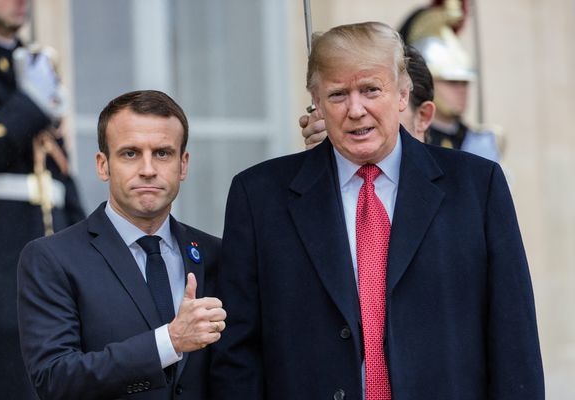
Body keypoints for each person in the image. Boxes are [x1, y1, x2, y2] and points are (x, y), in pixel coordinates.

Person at [210, 21, 543, 399]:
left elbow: (514, 339)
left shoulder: (476, 187)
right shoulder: (259, 196)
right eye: (337, 94)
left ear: (402, 94)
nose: (356, 109)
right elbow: (237, 355)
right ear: (316, 102)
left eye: (370, 89)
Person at [18, 90, 226, 399]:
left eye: (162, 153)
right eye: (130, 153)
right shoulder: (52, 258)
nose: (148, 169)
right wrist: (168, 342)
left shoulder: (216, 254)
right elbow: (55, 379)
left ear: (183, 165)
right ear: (103, 165)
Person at [0, 0, 84, 397]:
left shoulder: (31, 66)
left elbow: (58, 175)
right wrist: (28, 107)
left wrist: (88, 249)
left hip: (42, 259)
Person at [399, 0, 502, 161]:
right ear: (428, 81)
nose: (461, 90)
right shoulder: (407, 138)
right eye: (451, 82)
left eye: (465, 83)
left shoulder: (482, 142)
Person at [300, 45, 436, 147]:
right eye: (339, 94)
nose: (355, 112)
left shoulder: (454, 178)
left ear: (423, 116)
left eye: (372, 92)